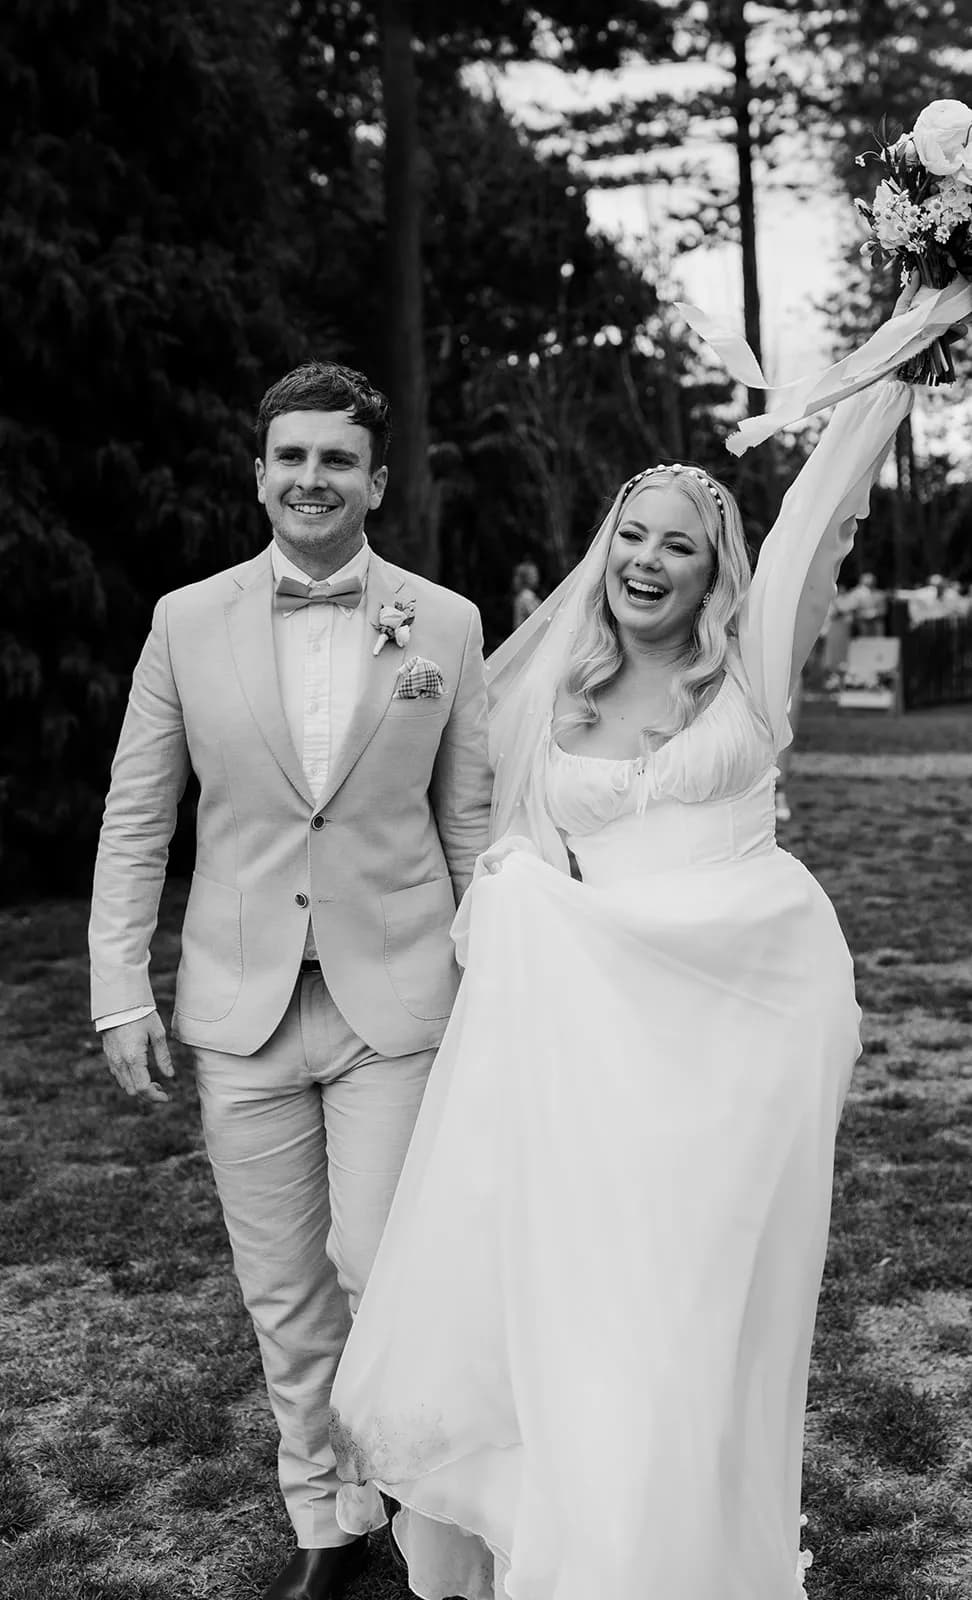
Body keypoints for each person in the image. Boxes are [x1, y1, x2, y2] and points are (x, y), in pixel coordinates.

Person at [326, 287, 967, 1599]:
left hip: (731, 1053)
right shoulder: (542, 688)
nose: (649, 560)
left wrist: (921, 315)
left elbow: (827, 490)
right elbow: (444, 808)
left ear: (715, 569)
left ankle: (681, 1552)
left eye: (681, 544)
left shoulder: (752, 674)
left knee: (693, 1325)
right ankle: (586, 1552)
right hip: (594, 1064)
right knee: (587, 1316)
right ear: (603, 545)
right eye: (632, 534)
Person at [87, 361, 493, 1600]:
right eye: (291, 457)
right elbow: (138, 815)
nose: (311, 478)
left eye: (337, 459)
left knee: (384, 1267)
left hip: (401, 997)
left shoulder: (447, 622)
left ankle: (423, 1511)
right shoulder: (183, 619)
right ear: (260, 473)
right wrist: (119, 985)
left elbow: (467, 818)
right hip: (241, 1003)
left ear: (377, 479)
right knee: (284, 1288)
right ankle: (327, 1522)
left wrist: (496, 975)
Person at [511, 559, 542, 631]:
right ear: (526, 578)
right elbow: (539, 617)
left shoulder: (523, 595)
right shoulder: (526, 596)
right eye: (534, 575)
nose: (537, 577)